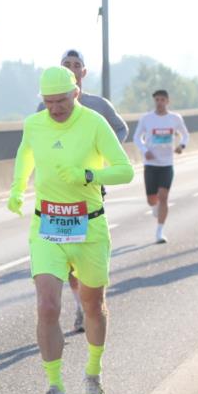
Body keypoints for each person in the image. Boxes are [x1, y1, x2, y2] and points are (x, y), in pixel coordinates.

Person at [9, 66, 134, 394]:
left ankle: (93, 377)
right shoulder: (35, 124)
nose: (55, 108)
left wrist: (88, 175)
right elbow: (26, 154)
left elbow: (124, 170)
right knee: (47, 306)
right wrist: (17, 188)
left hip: (89, 228)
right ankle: (54, 390)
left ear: (75, 93)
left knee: (93, 306)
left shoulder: (94, 122)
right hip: (47, 226)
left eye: (61, 101)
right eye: (48, 102)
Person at [38, 49, 128, 332]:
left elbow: (121, 130)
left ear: (83, 73)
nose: (72, 68)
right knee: (65, 255)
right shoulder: (44, 107)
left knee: (82, 247)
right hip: (55, 194)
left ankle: (88, 301)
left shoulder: (97, 106)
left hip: (88, 189)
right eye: (67, 64)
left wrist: (100, 156)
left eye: (77, 65)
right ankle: (80, 304)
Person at [131, 89, 190, 243]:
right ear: (154, 101)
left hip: (166, 164)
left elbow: (185, 135)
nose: (159, 102)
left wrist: (181, 146)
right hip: (151, 164)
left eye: (162, 100)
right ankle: (154, 206)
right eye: (157, 99)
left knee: (163, 197)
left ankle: (159, 232)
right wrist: (145, 150)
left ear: (167, 101)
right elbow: (137, 137)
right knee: (152, 200)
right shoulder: (146, 119)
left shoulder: (175, 118)